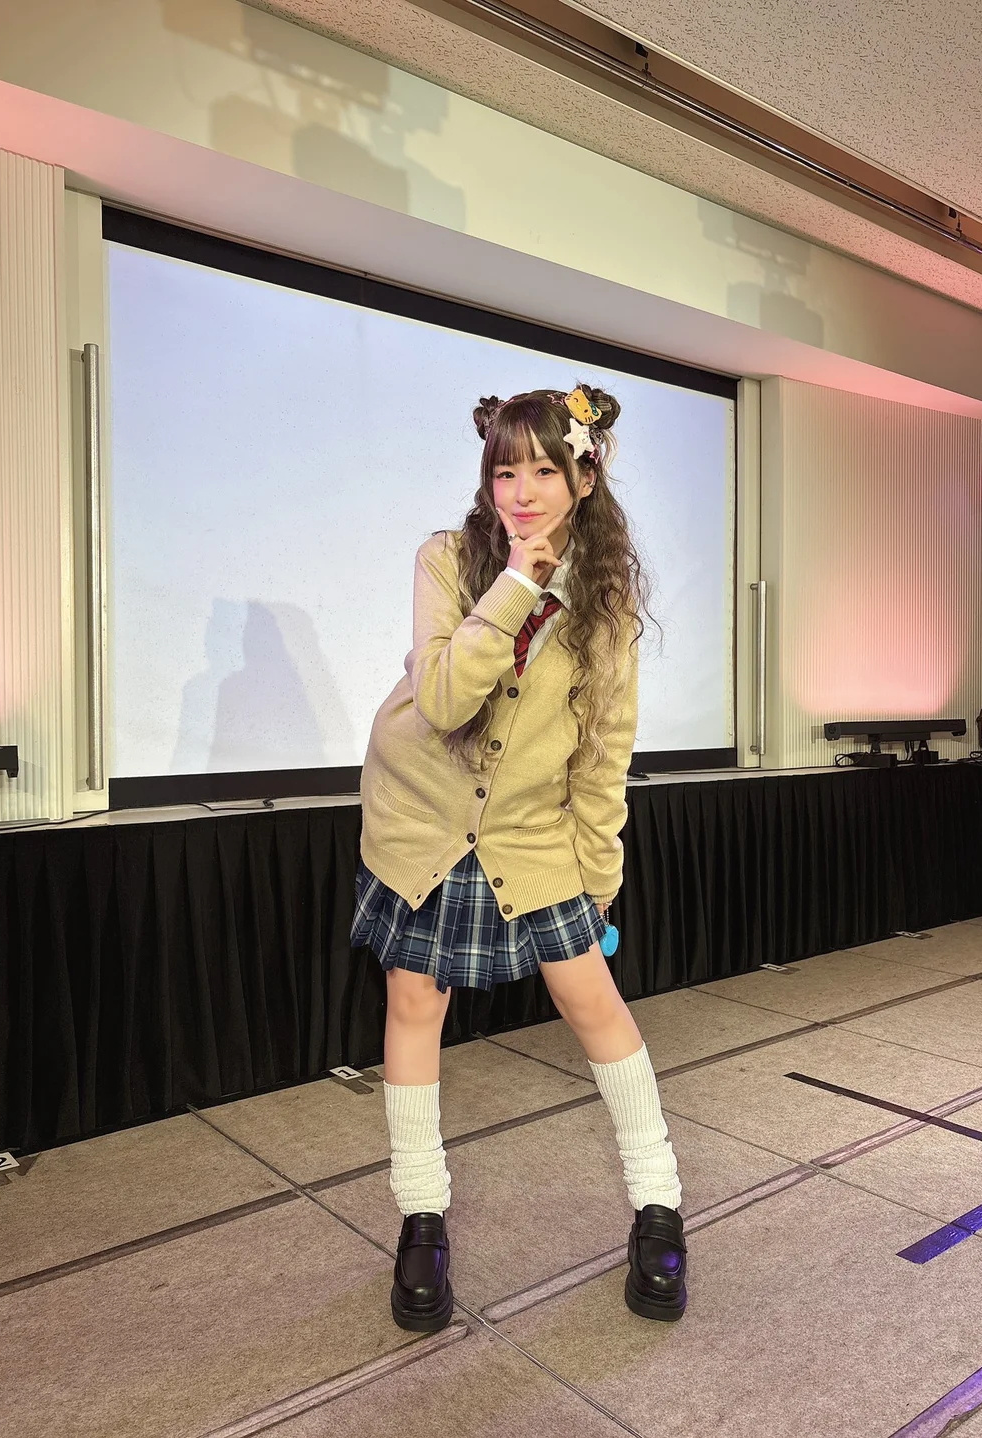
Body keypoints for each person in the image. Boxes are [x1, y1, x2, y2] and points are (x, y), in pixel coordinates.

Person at [351, 383, 686, 1333]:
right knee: (414, 1004)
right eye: (505, 471)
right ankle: (421, 1220)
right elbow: (443, 699)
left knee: (594, 1004)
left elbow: (603, 753)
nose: (523, 491)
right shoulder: (448, 558)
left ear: (587, 477)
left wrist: (599, 878)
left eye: (544, 469)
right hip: (423, 820)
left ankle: (659, 1205)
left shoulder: (606, 601)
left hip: (532, 832)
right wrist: (514, 584)